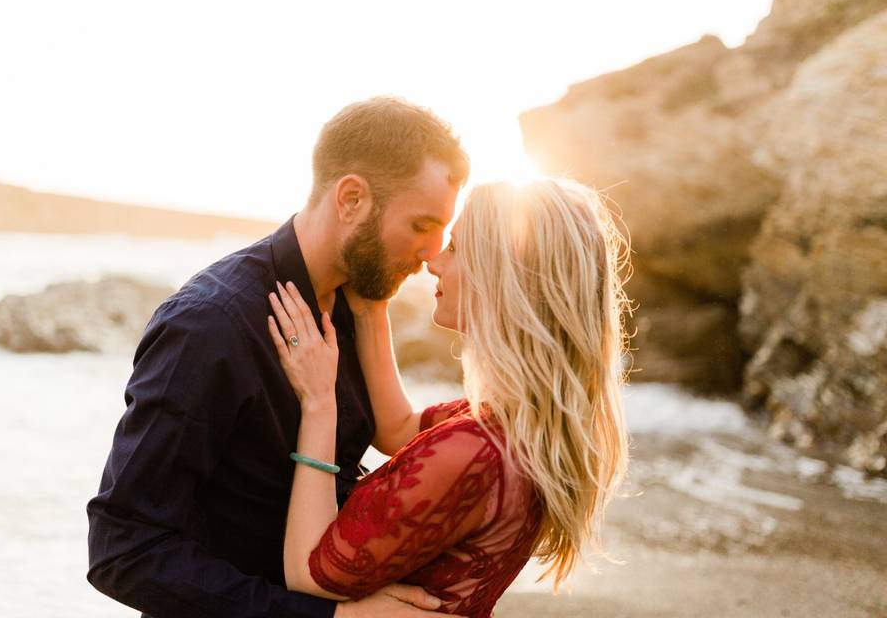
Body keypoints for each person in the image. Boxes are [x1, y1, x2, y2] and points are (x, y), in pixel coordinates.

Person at [86, 96, 469, 618]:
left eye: (442, 231)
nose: (431, 254)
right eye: (422, 225)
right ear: (351, 198)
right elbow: (123, 548)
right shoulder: (210, 325)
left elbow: (383, 439)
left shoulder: (358, 303)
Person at [266, 179, 631, 617]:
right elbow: (397, 428)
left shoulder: (474, 452)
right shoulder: (517, 425)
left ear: (502, 278)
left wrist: (319, 402)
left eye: (456, 248)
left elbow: (307, 572)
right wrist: (371, 308)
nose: (433, 263)